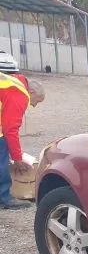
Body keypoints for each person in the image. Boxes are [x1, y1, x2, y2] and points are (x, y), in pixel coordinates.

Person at [0, 73, 45, 210]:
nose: (34, 105)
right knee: (2, 156)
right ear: (31, 91)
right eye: (36, 100)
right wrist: (17, 159)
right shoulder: (20, 94)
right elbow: (10, 130)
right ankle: (4, 197)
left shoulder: (14, 80)